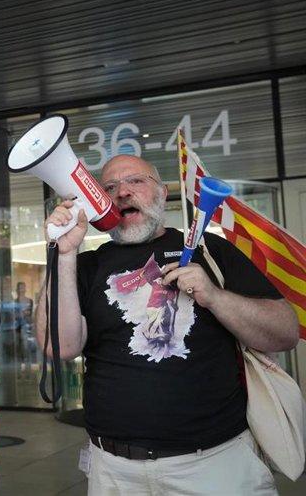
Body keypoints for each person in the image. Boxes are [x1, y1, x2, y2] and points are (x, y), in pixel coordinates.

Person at [39, 154, 299, 495]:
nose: (123, 192)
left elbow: (285, 332)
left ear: (163, 193)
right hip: (114, 471)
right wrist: (63, 254)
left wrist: (214, 297)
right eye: (110, 187)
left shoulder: (211, 251)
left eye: (136, 181)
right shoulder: (85, 265)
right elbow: (59, 346)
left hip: (214, 465)